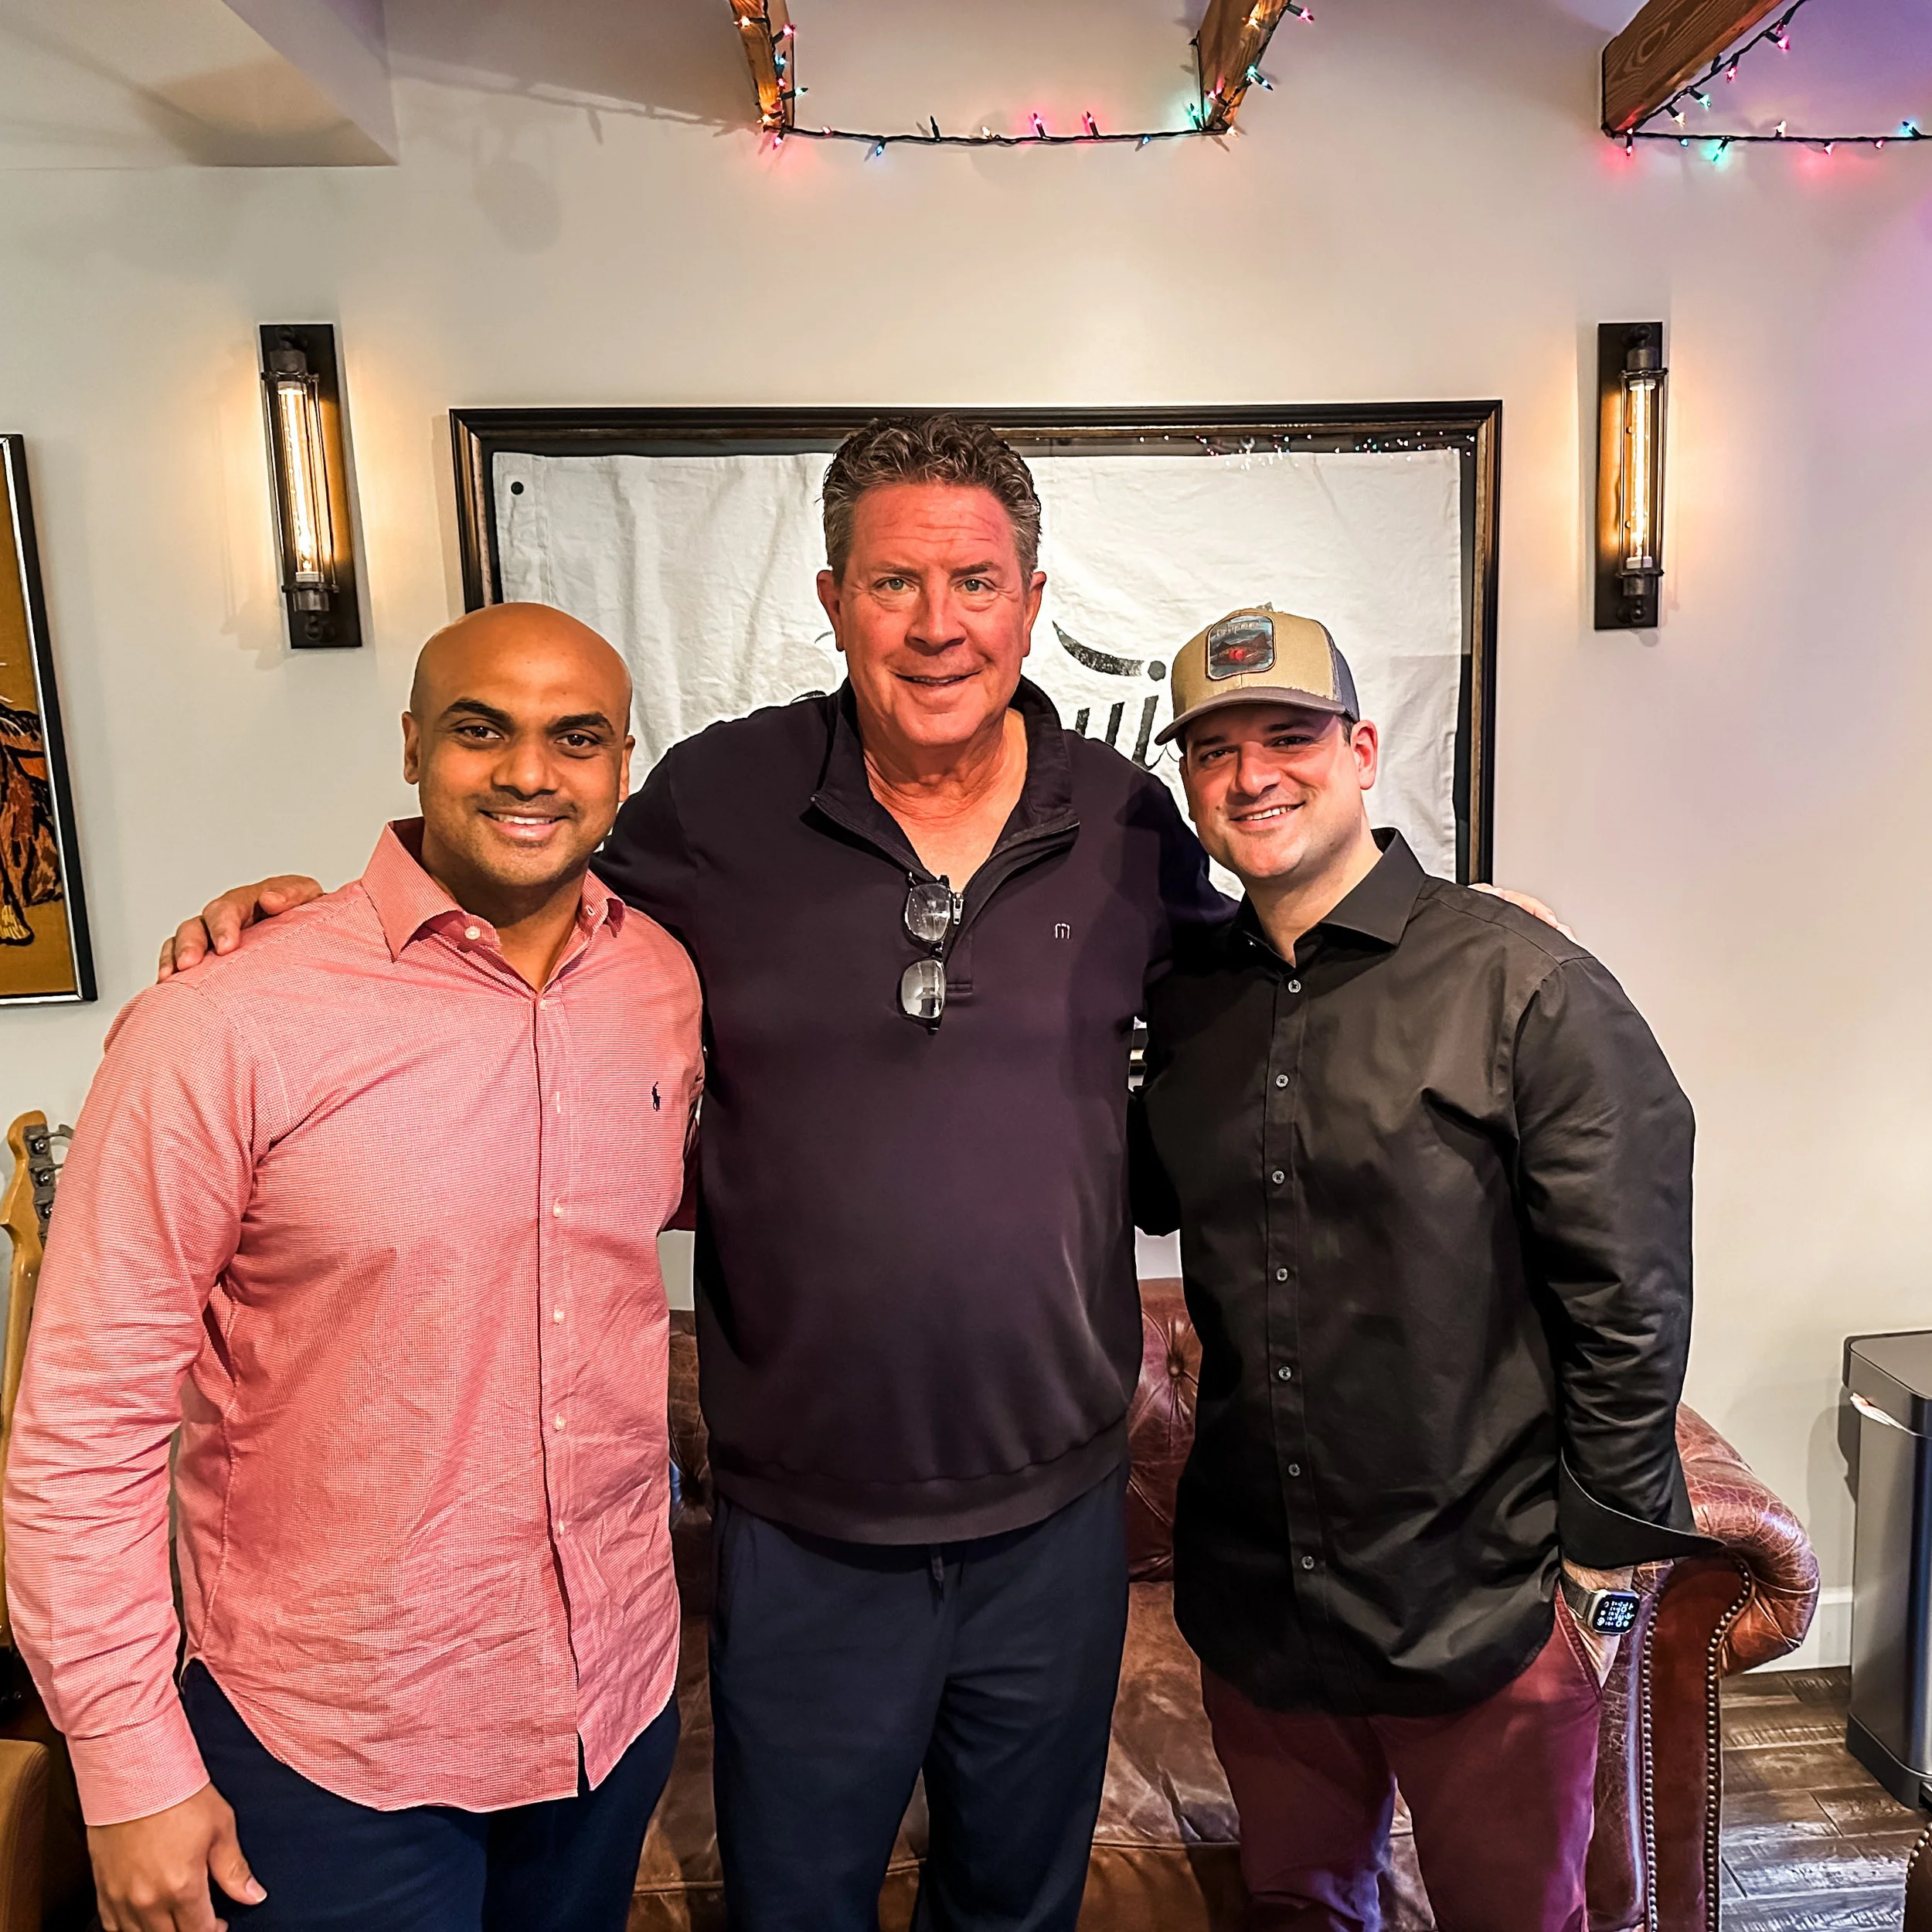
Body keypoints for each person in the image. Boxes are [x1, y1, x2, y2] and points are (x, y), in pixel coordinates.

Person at [158, 424, 1564, 1932]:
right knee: (796, 1907)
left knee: (1008, 1908)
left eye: (973, 579)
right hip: (804, 1532)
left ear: (1029, 599)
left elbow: (1275, 973)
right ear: (831, 599)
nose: (936, 621)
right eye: (894, 580)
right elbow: (520, 900)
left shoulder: (1121, 819)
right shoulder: (716, 801)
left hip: (1057, 1520)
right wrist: (316, 912)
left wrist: (1440, 939)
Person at [7, 604, 702, 1932]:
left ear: (622, 764)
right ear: (409, 748)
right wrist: (125, 1756)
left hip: (609, 1708)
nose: (527, 773)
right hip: (331, 1748)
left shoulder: (662, 983)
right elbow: (82, 1421)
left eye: (576, 739)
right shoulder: (224, 1018)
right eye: (479, 729)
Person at [1132, 606, 1716, 1932]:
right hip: (1262, 1611)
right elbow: (1136, 1184)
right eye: (1215, 752)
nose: (1254, 776)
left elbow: (1630, 1297)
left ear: (1362, 751)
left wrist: (1595, 1584)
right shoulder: (1189, 1005)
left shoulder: (1523, 982)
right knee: (1298, 1912)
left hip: (1488, 1607)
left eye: (1289, 736)